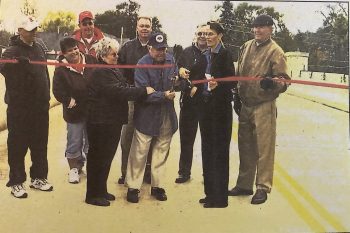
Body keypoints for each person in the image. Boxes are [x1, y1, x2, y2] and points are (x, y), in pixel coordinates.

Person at [228, 14, 290, 205]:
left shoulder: (276, 51)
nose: (257, 30)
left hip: (264, 105)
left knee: (264, 149)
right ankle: (244, 184)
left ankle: (263, 187)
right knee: (245, 146)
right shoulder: (246, 46)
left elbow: (284, 80)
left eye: (262, 27)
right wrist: (236, 94)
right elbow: (239, 73)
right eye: (255, 27)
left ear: (271, 29)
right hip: (245, 104)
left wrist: (271, 83)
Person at [85, 37, 154, 206]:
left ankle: (101, 190)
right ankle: (92, 195)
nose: (116, 56)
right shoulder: (101, 71)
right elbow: (119, 91)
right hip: (100, 122)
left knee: (106, 157)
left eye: (117, 54)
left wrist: (137, 90)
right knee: (98, 158)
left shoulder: (112, 69)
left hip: (110, 121)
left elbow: (124, 86)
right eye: (112, 54)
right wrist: (143, 91)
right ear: (102, 56)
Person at [125, 32, 186, 203]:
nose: (161, 52)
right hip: (147, 114)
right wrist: (163, 95)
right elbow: (143, 92)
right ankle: (133, 187)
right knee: (140, 152)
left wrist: (180, 82)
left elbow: (175, 82)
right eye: (158, 49)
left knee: (161, 151)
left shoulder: (171, 60)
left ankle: (157, 186)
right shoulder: (142, 64)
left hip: (166, 114)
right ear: (149, 48)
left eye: (164, 49)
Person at [0, 15, 53, 198]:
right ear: (20, 31)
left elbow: (44, 74)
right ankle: (16, 182)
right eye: (30, 29)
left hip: (40, 107)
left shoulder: (39, 48)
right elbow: (4, 69)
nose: (33, 32)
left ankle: (38, 178)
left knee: (40, 144)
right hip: (20, 109)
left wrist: (46, 97)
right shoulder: (10, 52)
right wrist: (17, 66)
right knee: (18, 146)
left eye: (35, 29)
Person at [198, 22, 236, 208]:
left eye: (211, 34)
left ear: (220, 35)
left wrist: (218, 85)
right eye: (206, 34)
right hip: (206, 109)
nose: (207, 37)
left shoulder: (225, 54)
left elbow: (232, 82)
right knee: (207, 150)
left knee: (219, 153)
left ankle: (220, 198)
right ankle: (209, 193)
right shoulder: (206, 54)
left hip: (220, 110)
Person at [53, 37, 96, 184]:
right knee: (74, 141)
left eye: (75, 48)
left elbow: (100, 78)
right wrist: (67, 100)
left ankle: (90, 167)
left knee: (91, 141)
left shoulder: (90, 60)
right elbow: (57, 90)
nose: (74, 52)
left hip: (91, 109)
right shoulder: (60, 69)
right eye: (70, 50)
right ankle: (74, 169)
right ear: (63, 54)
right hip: (74, 112)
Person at [117, 16, 153, 185]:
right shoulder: (127, 47)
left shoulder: (157, 47)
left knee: (148, 137)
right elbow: (120, 72)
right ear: (137, 28)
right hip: (132, 98)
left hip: (150, 98)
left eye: (147, 26)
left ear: (151, 29)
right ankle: (125, 172)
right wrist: (128, 90)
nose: (144, 28)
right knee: (127, 137)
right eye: (142, 26)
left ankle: (146, 172)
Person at [175, 24, 208, 184]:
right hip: (189, 102)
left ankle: (208, 173)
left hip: (208, 102)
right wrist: (181, 73)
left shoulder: (213, 53)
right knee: (186, 139)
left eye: (206, 33)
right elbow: (177, 74)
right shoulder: (186, 52)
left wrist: (198, 86)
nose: (203, 36)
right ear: (195, 35)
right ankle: (184, 172)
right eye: (200, 33)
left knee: (208, 140)